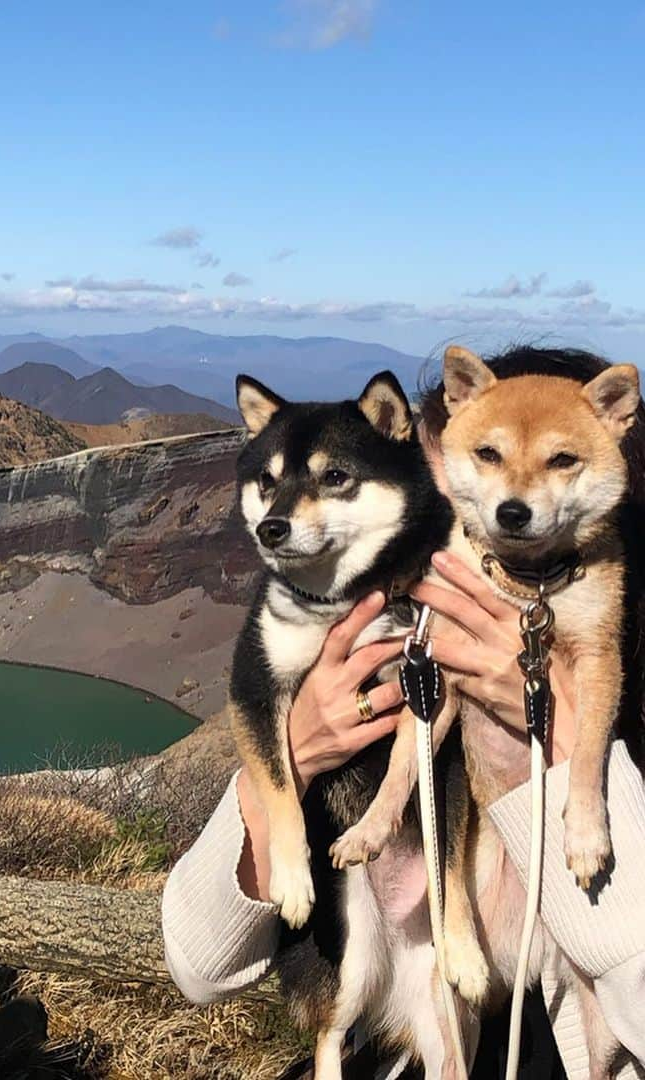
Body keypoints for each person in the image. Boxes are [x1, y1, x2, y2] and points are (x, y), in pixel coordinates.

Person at [161, 348, 645, 1079]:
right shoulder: (397, 654)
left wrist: (567, 750)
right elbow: (200, 966)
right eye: (457, 481)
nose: (486, 516)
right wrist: (296, 759)